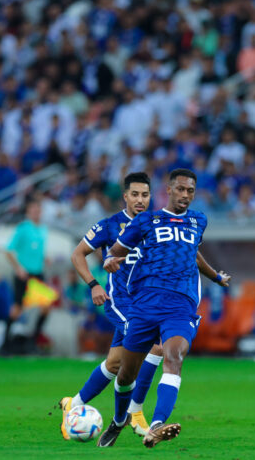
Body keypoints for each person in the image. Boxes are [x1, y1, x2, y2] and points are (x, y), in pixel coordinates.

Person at [98, 168, 231, 448]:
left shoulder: (199, 220)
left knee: (174, 356)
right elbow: (117, 251)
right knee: (125, 375)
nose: (185, 195)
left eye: (190, 191)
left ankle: (156, 425)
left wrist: (216, 277)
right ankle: (120, 419)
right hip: (145, 304)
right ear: (168, 190)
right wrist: (110, 260)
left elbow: (193, 252)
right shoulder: (147, 220)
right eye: (180, 189)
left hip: (181, 306)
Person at [59, 172, 165, 438]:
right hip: (122, 303)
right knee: (153, 345)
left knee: (116, 363)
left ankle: (75, 404)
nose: (140, 200)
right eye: (135, 195)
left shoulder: (155, 225)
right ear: (125, 197)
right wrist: (94, 284)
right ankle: (134, 414)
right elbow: (77, 254)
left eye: (145, 195)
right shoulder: (109, 225)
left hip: (147, 303)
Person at [4, 199, 50, 349]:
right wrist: (18, 268)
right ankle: (5, 342)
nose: (36, 212)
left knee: (45, 307)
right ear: (28, 212)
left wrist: (45, 258)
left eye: (38, 210)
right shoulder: (23, 228)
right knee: (17, 309)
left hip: (38, 274)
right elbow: (9, 250)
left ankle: (33, 340)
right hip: (24, 274)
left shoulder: (43, 229)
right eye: (33, 210)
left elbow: (37, 250)